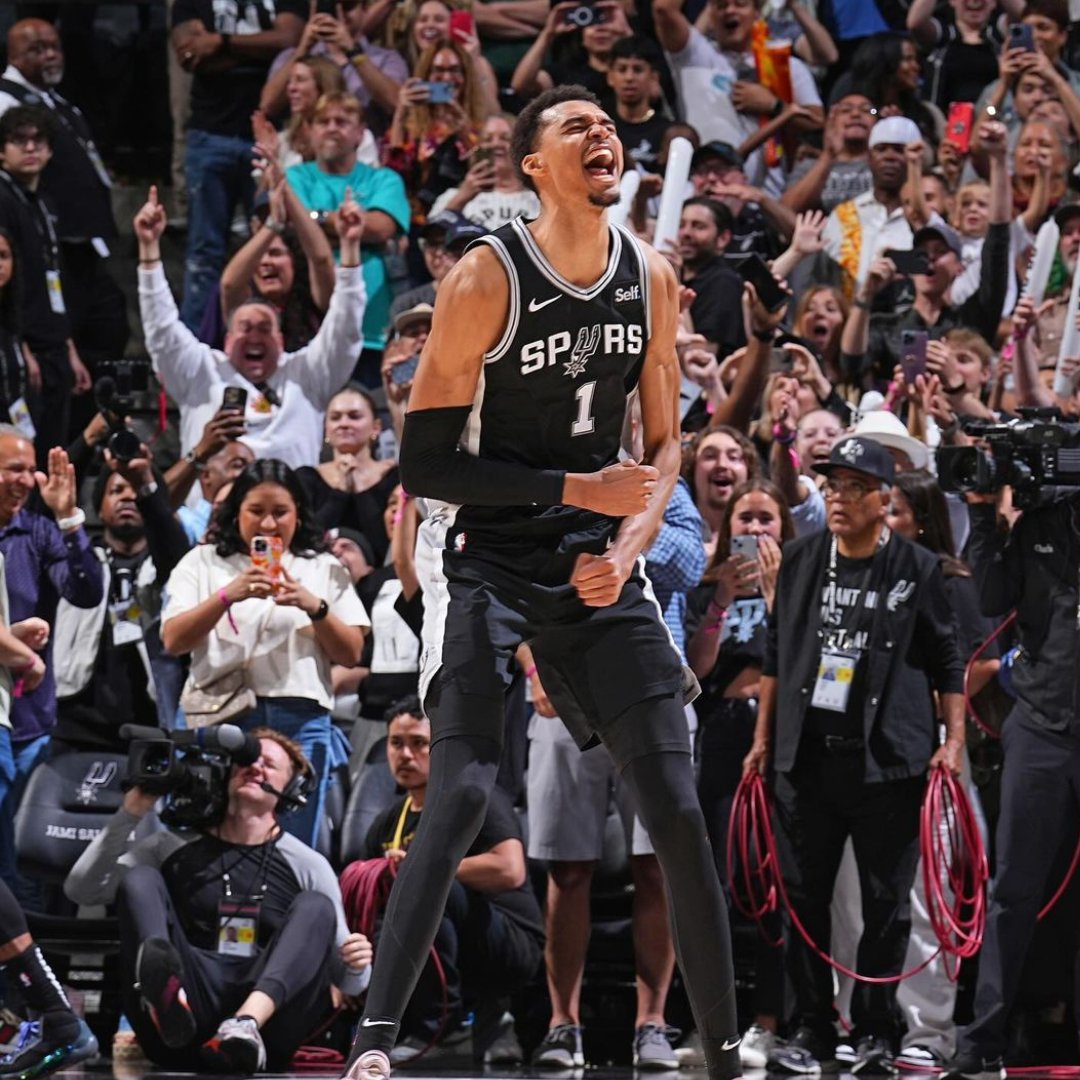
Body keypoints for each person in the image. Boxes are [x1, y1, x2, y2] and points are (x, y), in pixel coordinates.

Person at [340, 84, 743, 1080]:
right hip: (493, 558)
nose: (602, 131)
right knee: (463, 793)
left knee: (678, 807)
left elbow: (662, 446)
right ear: (533, 167)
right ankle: (376, 1040)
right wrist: (578, 485)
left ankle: (727, 1048)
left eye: (608, 122)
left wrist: (629, 543)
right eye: (577, 125)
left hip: (596, 559)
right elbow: (428, 466)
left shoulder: (648, 273)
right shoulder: (487, 276)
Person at [742, 435, 966, 1076]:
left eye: (852, 489)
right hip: (807, 759)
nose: (837, 500)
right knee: (803, 900)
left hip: (887, 762)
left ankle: (875, 1029)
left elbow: (948, 662)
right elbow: (778, 657)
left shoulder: (918, 568)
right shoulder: (804, 558)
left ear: (882, 498)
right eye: (832, 487)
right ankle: (813, 1027)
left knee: (886, 904)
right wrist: (763, 741)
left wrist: (951, 742)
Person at [65, 729, 372, 1075]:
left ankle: (244, 1023)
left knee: (316, 906)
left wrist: (357, 963)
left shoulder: (307, 864)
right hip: (181, 1026)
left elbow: (352, 985)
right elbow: (83, 890)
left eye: (269, 764)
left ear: (291, 789)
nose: (255, 767)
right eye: (247, 761)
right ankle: (166, 999)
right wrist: (132, 811)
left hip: (263, 1035)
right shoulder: (169, 846)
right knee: (139, 879)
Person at [939, 484, 1080, 1080]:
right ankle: (985, 1034)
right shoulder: (1039, 523)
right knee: (1014, 891)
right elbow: (993, 593)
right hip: (1043, 728)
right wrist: (981, 512)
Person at [162, 459, 369, 848]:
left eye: (280, 513)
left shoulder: (323, 567)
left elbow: (352, 653)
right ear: (235, 511)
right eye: (256, 511)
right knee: (203, 831)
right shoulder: (202, 562)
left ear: (299, 514)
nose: (269, 525)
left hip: (301, 719)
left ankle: (283, 910)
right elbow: (173, 640)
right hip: (221, 716)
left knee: (291, 842)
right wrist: (228, 594)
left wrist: (315, 606)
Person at [341, 697, 543, 1064]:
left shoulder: (477, 799)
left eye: (419, 743)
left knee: (430, 884)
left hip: (506, 944)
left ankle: (444, 1028)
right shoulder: (388, 820)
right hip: (441, 941)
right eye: (396, 743)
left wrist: (423, 867)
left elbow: (510, 870)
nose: (405, 755)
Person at [134, 183, 367, 473]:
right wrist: (148, 250)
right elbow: (161, 329)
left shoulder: (306, 374)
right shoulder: (201, 370)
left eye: (265, 328)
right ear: (228, 339)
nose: (255, 336)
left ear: (281, 341)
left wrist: (350, 248)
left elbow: (345, 327)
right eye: (245, 328)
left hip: (292, 514)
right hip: (207, 514)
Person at [687, 478, 793, 1069]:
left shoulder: (801, 578)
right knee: (720, 886)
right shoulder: (708, 591)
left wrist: (777, 593)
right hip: (724, 734)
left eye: (766, 518)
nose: (755, 529)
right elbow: (698, 668)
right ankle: (715, 1023)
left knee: (773, 884)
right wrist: (722, 600)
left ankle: (770, 1020)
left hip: (777, 738)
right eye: (745, 520)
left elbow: (801, 649)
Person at [0, 18, 128, 407]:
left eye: (54, 46)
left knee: (108, 328)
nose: (50, 56)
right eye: (37, 49)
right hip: (35, 250)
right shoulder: (5, 100)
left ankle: (97, 434)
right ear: (13, 55)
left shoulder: (62, 104)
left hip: (80, 244)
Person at [0, 429, 103, 892]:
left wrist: (68, 519)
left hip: (29, 721)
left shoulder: (38, 533)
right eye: (13, 468)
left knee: (18, 857)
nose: (26, 480)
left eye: (29, 469)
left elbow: (85, 592)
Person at [170, 0, 306, 330]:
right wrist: (261, 51)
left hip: (269, 134)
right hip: (209, 132)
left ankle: (270, 333)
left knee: (270, 245)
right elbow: (191, 56)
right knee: (204, 254)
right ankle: (198, 344)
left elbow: (289, 40)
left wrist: (222, 44)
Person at [51, 446, 191, 753]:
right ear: (99, 507)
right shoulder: (75, 559)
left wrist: (146, 486)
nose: (127, 497)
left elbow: (174, 553)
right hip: (76, 722)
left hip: (152, 721)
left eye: (133, 491)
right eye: (116, 490)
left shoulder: (169, 566)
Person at [285, 92, 410, 377]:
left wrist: (316, 218)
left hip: (374, 328)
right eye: (323, 121)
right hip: (312, 325)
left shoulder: (384, 179)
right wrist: (346, 224)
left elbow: (382, 227)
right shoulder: (294, 177)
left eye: (341, 122)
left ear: (360, 133)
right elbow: (294, 227)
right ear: (310, 131)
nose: (331, 127)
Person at [0, 106, 86, 455]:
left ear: (50, 149)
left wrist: (69, 347)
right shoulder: (4, 200)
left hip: (53, 346)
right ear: (2, 151)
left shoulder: (43, 203)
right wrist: (19, 346)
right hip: (25, 348)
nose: (31, 148)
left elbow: (54, 281)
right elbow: (6, 284)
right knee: (26, 455)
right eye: (19, 141)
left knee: (53, 452)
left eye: (38, 140)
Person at [296, 384, 398, 562]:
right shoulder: (305, 478)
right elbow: (306, 540)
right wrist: (340, 492)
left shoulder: (394, 477)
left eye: (354, 416)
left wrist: (357, 483)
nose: (344, 423)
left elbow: (386, 545)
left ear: (376, 427)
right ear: (326, 429)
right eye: (335, 418)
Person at [429, 115, 541, 231]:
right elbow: (430, 241)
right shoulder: (452, 196)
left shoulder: (540, 199)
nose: (496, 144)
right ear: (477, 148)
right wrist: (460, 199)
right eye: (487, 139)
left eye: (506, 138)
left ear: (520, 148)